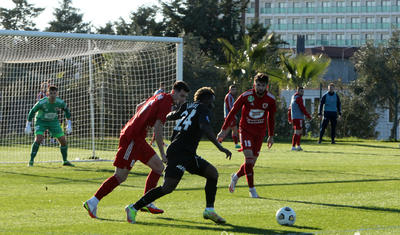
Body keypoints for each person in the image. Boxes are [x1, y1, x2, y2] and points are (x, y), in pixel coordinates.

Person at [124, 87, 232, 224]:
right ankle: (133, 207)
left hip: (186, 153)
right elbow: (205, 127)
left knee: (212, 174)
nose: (212, 103)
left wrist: (165, 114)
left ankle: (209, 210)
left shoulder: (187, 106)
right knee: (168, 187)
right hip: (180, 152)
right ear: (205, 99)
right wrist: (220, 147)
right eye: (211, 100)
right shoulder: (204, 108)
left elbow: (170, 116)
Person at [83, 81, 190, 219]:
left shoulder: (159, 96)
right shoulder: (166, 103)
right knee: (120, 176)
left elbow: (139, 106)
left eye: (185, 97)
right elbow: (158, 128)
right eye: (181, 95)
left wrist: (140, 124)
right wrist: (162, 152)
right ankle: (92, 202)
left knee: (158, 168)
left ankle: (147, 202)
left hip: (138, 138)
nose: (182, 99)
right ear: (173, 91)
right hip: (132, 139)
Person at [217, 73, 276, 198]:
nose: (260, 88)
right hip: (245, 131)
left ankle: (236, 176)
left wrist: (271, 135)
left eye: (263, 86)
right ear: (254, 84)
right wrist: (223, 130)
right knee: (248, 160)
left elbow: (271, 118)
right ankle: (252, 190)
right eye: (258, 85)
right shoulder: (246, 96)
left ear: (267, 86)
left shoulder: (270, 99)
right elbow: (232, 112)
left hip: (259, 134)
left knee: (251, 164)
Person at [25, 85, 74, 167]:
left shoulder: (60, 102)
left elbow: (66, 110)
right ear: (48, 94)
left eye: (54, 93)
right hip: (41, 121)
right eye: (51, 93)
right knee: (39, 139)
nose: (53, 95)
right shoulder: (42, 102)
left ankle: (65, 161)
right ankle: (31, 161)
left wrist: (69, 123)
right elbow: (32, 111)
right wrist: (28, 124)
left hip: (53, 122)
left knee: (63, 140)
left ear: (57, 94)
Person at [288, 87, 312, 151]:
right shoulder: (299, 98)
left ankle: (298, 146)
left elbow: (289, 109)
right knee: (297, 132)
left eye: (303, 91)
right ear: (298, 91)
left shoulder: (293, 97)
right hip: (298, 118)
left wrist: (290, 118)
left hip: (295, 117)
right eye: (301, 91)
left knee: (299, 131)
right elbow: (302, 108)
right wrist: (308, 116)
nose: (302, 93)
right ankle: (293, 146)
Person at [223, 84, 240, 148]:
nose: (234, 91)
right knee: (228, 130)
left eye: (235, 89)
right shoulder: (228, 96)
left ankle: (236, 144)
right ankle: (218, 142)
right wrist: (233, 115)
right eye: (232, 89)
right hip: (229, 116)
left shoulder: (231, 96)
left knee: (233, 130)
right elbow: (229, 107)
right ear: (229, 90)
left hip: (230, 116)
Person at [149, 82, 166, 146]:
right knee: (157, 127)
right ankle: (155, 142)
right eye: (163, 86)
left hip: (160, 111)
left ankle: (154, 142)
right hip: (157, 111)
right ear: (161, 86)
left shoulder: (163, 92)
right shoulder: (158, 92)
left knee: (158, 127)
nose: (164, 87)